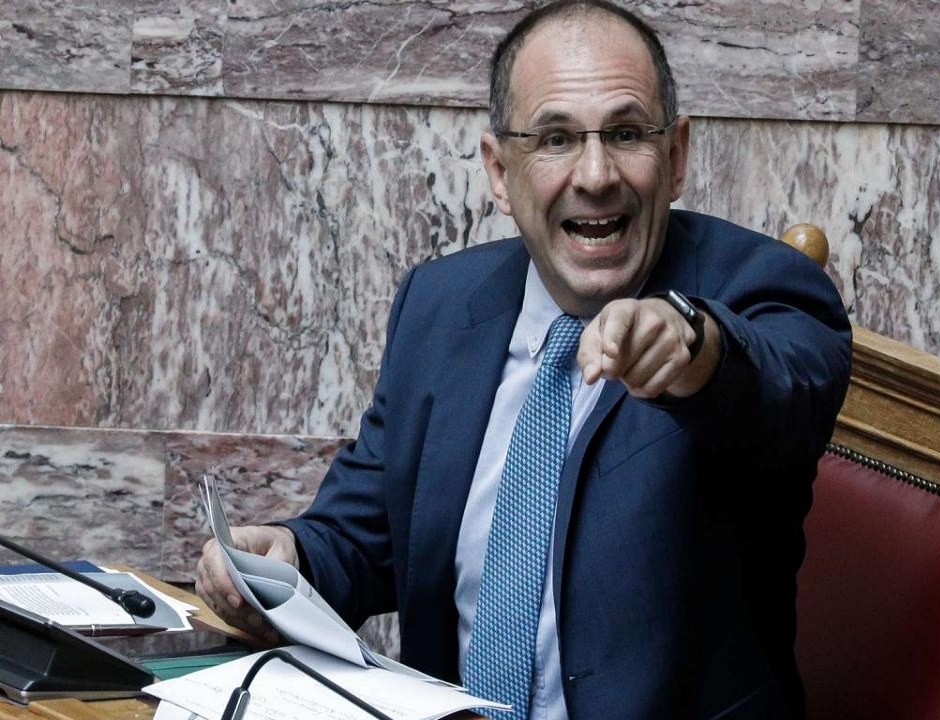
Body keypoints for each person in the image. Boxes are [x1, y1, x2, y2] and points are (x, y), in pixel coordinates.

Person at [195, 1, 852, 718]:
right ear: (500, 171)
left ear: (675, 157)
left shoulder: (762, 287)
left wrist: (695, 348)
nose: (596, 174)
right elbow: (365, 535)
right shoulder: (438, 307)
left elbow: (782, 388)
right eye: (555, 139)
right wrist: (290, 557)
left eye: (626, 134)